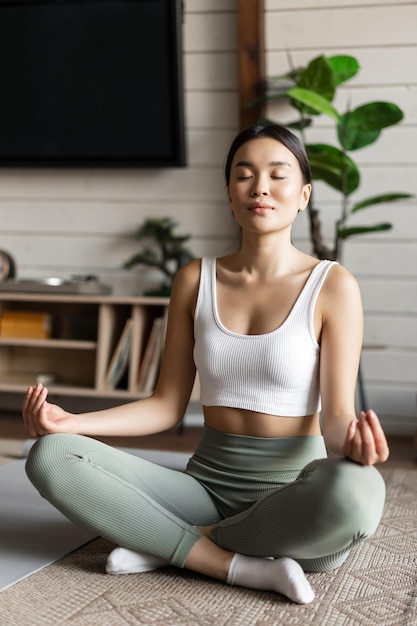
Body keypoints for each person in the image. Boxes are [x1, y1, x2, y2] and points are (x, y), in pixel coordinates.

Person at [22, 123, 389, 605]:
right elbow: (166, 405)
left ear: (303, 195)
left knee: (355, 495)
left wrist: (358, 448)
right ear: (230, 194)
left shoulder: (334, 285)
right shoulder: (196, 279)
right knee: (51, 456)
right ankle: (235, 562)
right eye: (245, 174)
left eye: (278, 175)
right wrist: (71, 422)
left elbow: (338, 415)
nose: (260, 186)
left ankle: (174, 542)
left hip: (292, 495)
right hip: (204, 487)